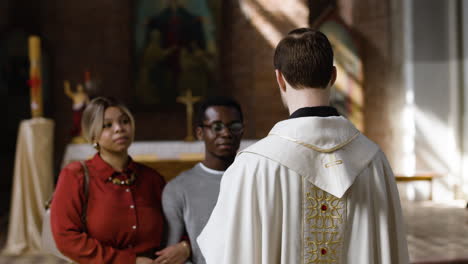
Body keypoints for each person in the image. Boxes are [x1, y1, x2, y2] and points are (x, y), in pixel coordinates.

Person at [197, 29, 409, 264]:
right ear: (333, 76)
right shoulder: (374, 160)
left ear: (279, 78)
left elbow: (226, 253)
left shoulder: (253, 166)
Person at [51, 97, 188, 263]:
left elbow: (180, 222)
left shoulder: (152, 179)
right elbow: (66, 238)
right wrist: (129, 261)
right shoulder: (75, 176)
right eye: (107, 125)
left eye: (124, 121)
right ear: (93, 135)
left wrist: (185, 247)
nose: (119, 129)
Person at [157, 97, 244, 264]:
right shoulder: (178, 188)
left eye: (234, 126)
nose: (226, 133)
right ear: (200, 133)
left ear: (242, 131)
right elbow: (172, 256)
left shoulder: (256, 180)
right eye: (216, 127)